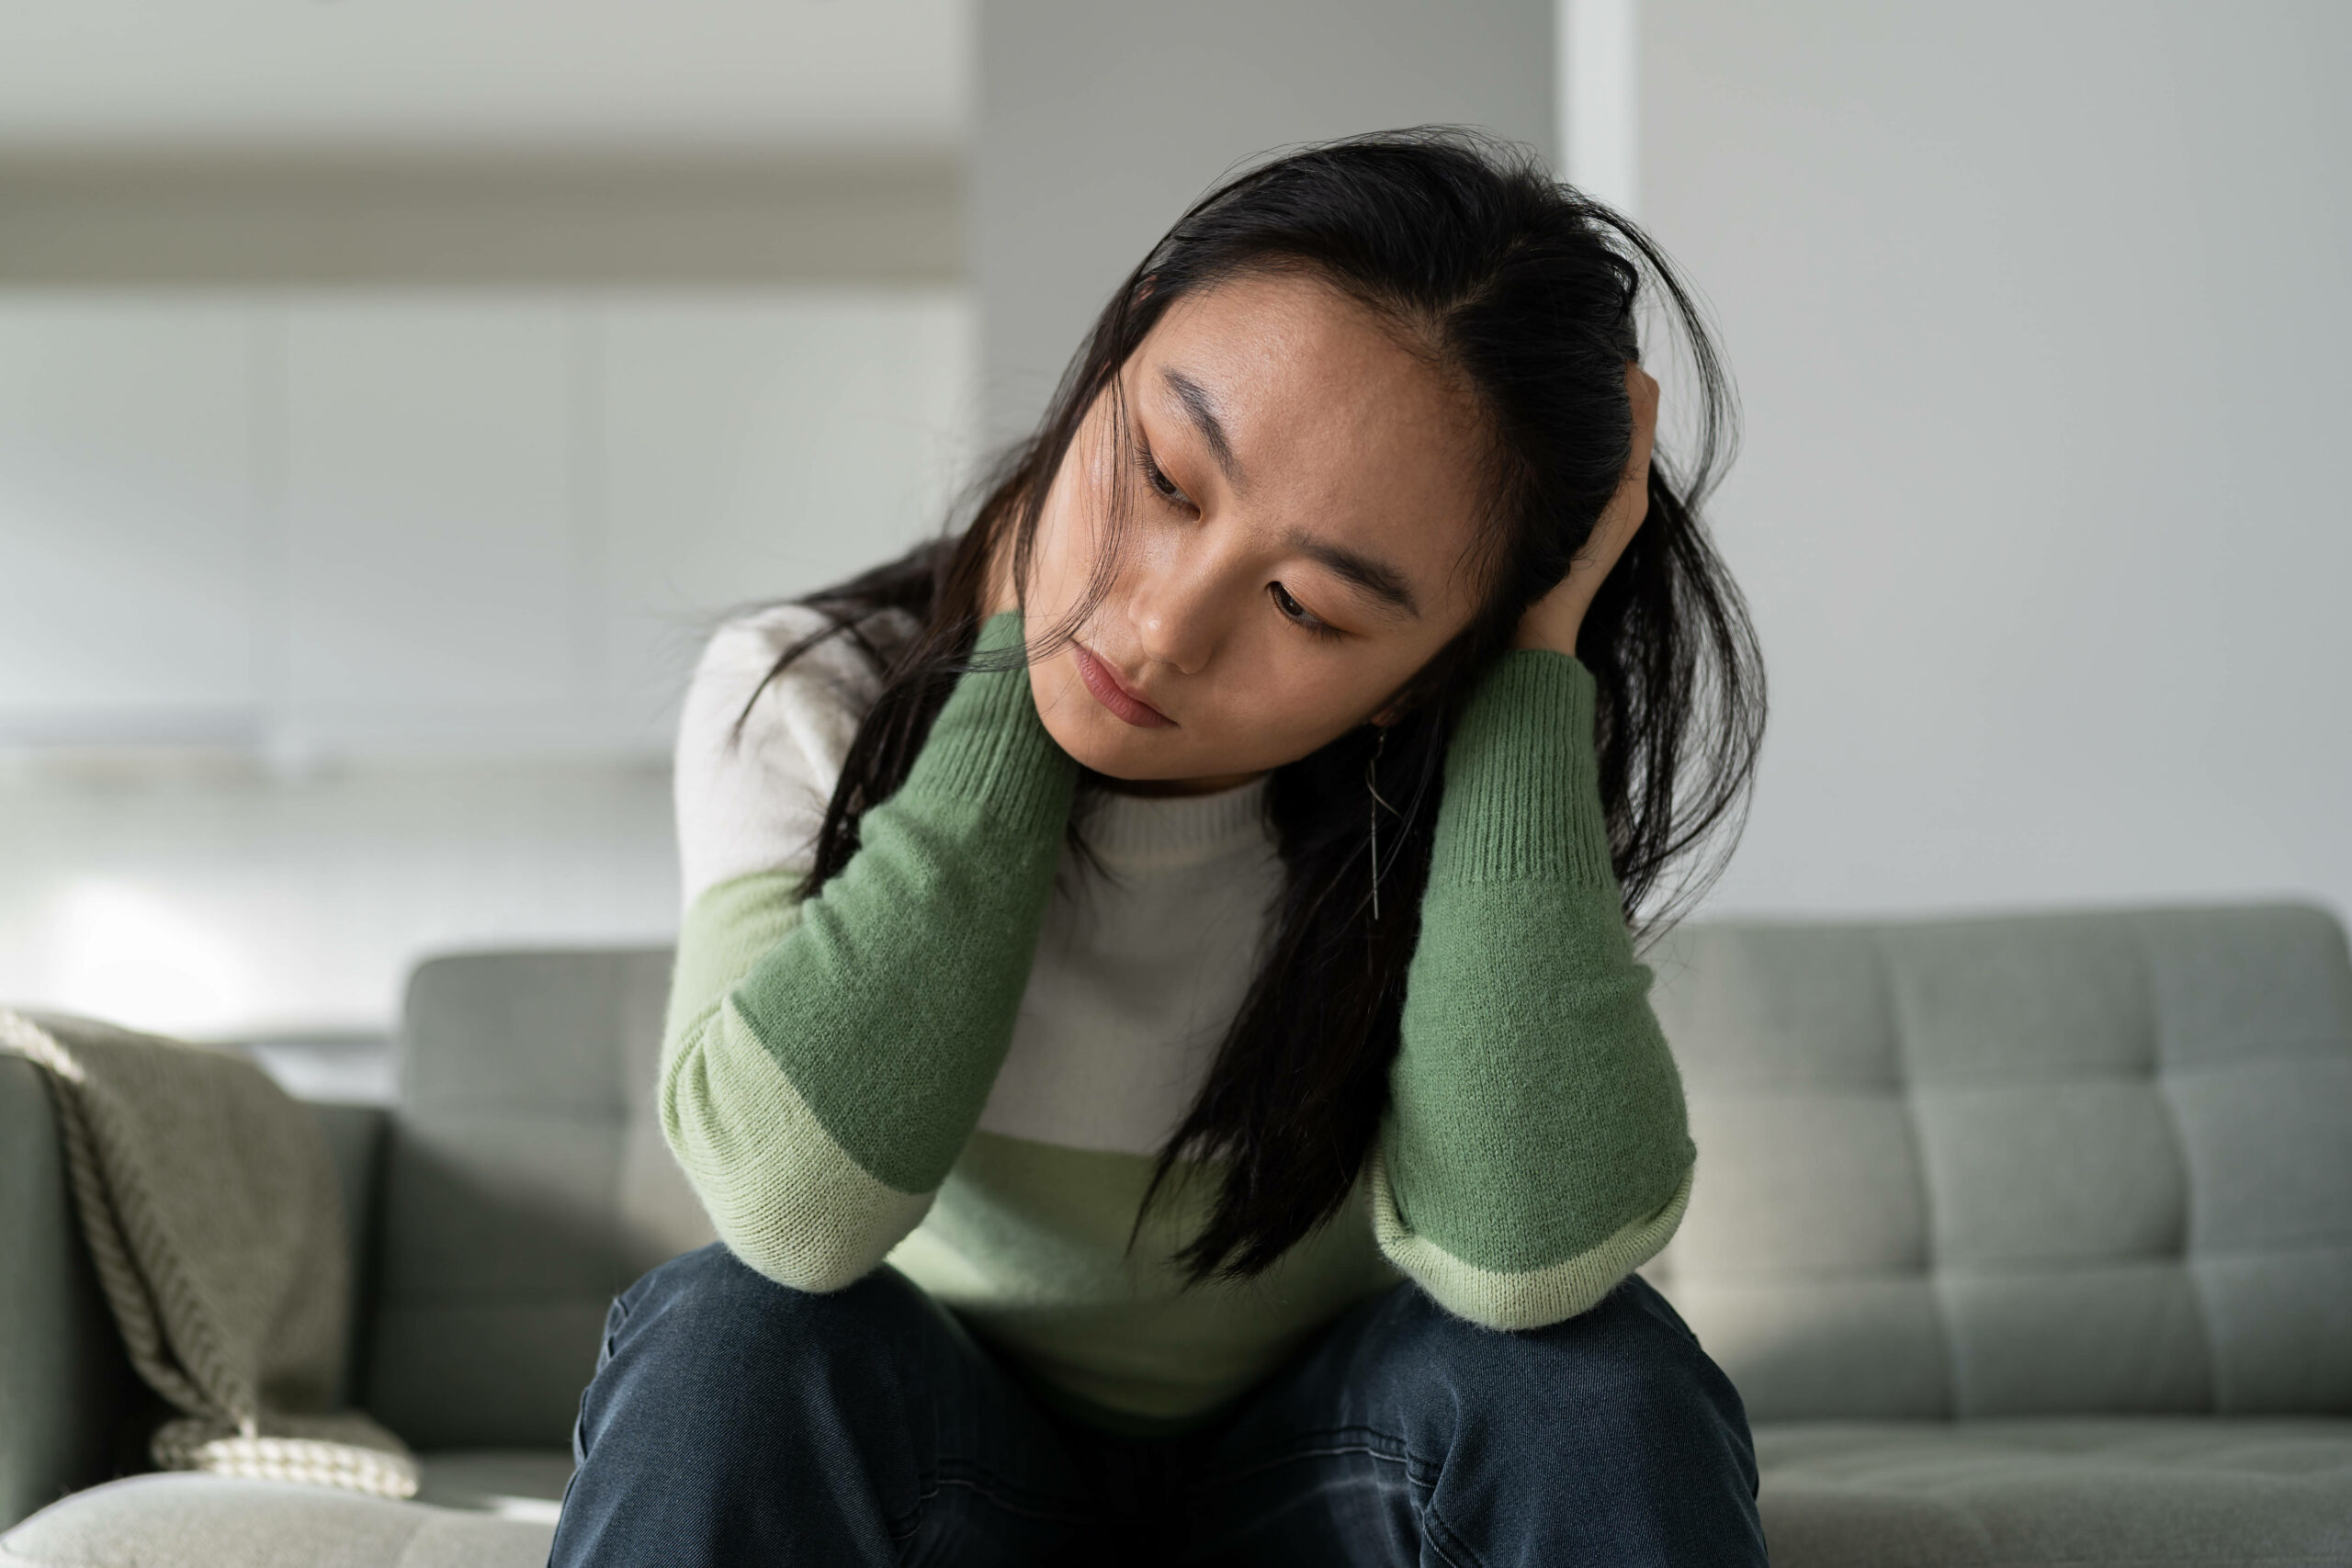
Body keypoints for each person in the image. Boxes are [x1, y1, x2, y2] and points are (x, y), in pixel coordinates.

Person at [548, 126, 1770, 1566]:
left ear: (1429, 674)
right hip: (948, 1472)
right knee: (728, 1338)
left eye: (1311, 607)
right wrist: (1011, 675)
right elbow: (787, 1214)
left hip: (1325, 1482)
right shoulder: (813, 694)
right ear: (1111, 360)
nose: (1163, 625)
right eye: (1166, 479)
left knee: (1589, 1373)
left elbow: (1526, 1265)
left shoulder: (1483, 767)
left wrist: (1525, 680)